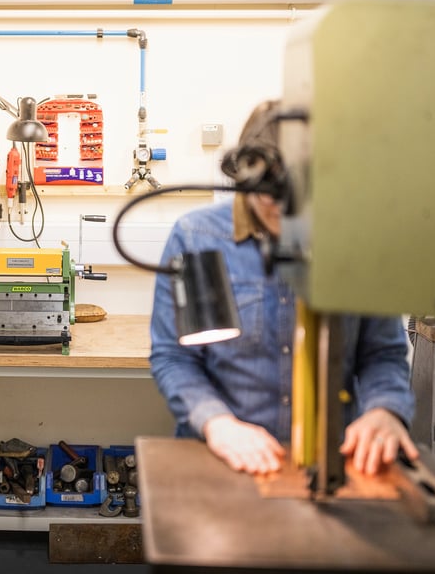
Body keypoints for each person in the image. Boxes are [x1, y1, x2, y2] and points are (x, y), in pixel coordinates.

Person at [149, 99, 418, 476]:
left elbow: (382, 355)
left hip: (332, 460)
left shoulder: (357, 243)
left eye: (297, 194)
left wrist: (385, 409)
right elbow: (174, 359)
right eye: (269, 192)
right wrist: (218, 423)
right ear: (244, 175)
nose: (281, 207)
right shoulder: (199, 238)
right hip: (224, 459)